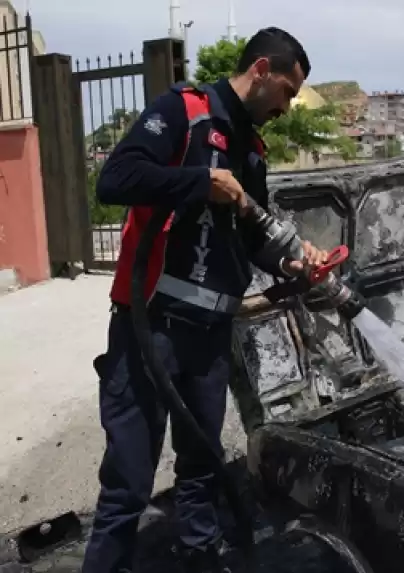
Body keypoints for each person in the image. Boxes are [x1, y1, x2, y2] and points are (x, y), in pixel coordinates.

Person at [82, 28, 328, 573]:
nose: (287, 107)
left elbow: (252, 235)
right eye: (286, 91)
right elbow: (115, 179)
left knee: (201, 469)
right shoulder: (184, 112)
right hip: (153, 329)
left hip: (211, 339)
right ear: (260, 68)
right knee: (128, 481)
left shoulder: (252, 150)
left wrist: (290, 263)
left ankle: (200, 560)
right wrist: (200, 181)